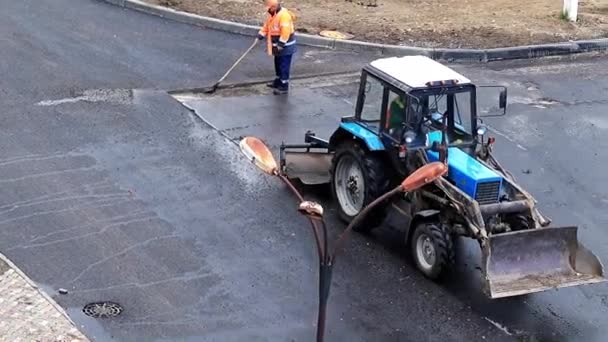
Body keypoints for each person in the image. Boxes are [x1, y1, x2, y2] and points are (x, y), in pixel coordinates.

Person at [258, 0, 296, 95]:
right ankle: (278, 80)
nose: (268, 10)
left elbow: (285, 32)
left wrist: (281, 44)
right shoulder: (273, 14)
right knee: (278, 63)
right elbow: (267, 25)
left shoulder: (283, 16)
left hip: (285, 46)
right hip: (278, 46)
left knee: (284, 65)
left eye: (269, 8)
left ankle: (284, 85)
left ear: (274, 6)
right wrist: (261, 34)